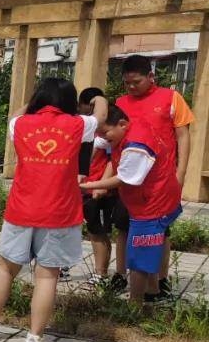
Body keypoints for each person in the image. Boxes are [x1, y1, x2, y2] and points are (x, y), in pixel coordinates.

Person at [0, 80, 107, 342]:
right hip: (59, 212)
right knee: (48, 276)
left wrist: (34, 100)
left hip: (22, 209)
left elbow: (16, 114)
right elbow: (102, 116)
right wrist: (97, 98)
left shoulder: (21, 124)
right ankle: (35, 338)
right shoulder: (76, 125)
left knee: (5, 269)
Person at [81, 105, 184, 305]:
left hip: (152, 205)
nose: (102, 138)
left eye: (104, 133)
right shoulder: (129, 130)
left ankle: (135, 305)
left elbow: (125, 179)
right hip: (152, 200)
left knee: (139, 257)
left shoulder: (137, 143)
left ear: (122, 124)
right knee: (149, 249)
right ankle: (152, 293)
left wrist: (88, 184)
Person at [111, 55, 194, 298]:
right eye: (127, 83)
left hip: (160, 182)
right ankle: (120, 274)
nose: (132, 87)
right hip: (127, 180)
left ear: (150, 77)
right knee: (123, 227)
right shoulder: (120, 103)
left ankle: (160, 279)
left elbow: (183, 136)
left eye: (136, 81)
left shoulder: (170, 98)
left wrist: (180, 173)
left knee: (159, 232)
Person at [78, 87, 115, 286]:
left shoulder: (106, 130)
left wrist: (101, 187)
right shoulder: (85, 127)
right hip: (85, 187)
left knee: (98, 233)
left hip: (98, 189)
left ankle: (101, 274)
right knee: (92, 231)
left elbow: (112, 160)